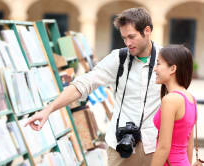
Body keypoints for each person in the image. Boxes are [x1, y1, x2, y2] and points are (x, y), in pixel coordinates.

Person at [25, 7, 162, 166]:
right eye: (124, 38)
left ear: (147, 30)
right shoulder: (119, 58)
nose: (128, 43)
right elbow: (83, 84)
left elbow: (182, 103)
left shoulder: (167, 59)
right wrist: (48, 109)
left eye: (132, 37)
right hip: (120, 149)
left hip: (156, 148)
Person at [151, 45, 195, 166]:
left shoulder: (170, 100)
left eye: (159, 64)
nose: (155, 69)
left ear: (172, 68)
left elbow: (163, 148)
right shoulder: (190, 98)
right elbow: (189, 144)